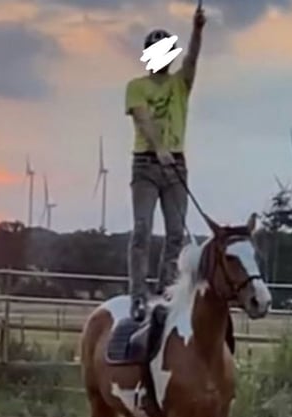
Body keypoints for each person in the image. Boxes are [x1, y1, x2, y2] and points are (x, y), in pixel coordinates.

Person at [124, 5, 206, 322]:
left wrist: (197, 31)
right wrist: (159, 148)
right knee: (142, 229)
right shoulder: (136, 87)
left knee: (175, 233)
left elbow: (193, 60)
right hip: (146, 164)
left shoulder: (180, 85)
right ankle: (137, 295)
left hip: (176, 165)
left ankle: (166, 291)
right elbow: (143, 119)